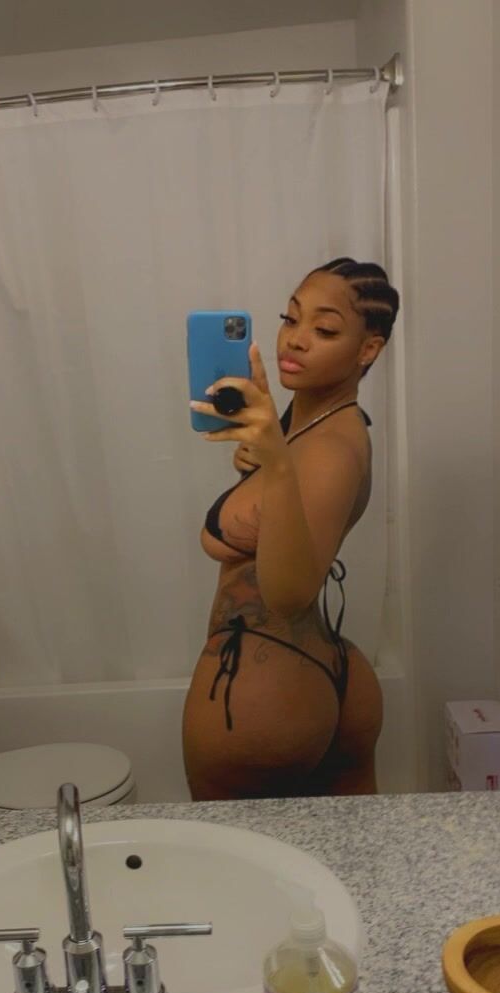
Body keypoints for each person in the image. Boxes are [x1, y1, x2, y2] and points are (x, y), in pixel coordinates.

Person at [181, 257, 400, 800]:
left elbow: (287, 594)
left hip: (261, 683)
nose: (296, 339)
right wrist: (267, 452)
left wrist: (276, 464)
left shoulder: (331, 449)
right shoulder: (314, 426)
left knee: (228, 855)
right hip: (325, 668)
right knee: (352, 853)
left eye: (324, 329)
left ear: (368, 349)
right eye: (290, 318)